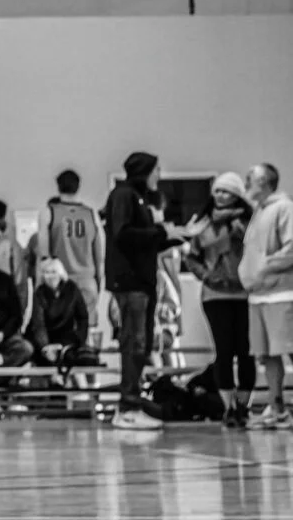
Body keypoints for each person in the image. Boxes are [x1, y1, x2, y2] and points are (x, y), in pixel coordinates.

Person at [103, 152, 180, 431]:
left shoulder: (141, 199)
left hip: (143, 282)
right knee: (133, 345)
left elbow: (144, 242)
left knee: (142, 345)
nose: (158, 176)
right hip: (130, 283)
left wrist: (170, 238)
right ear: (144, 171)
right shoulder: (123, 195)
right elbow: (123, 234)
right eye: (156, 170)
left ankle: (132, 402)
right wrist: (161, 233)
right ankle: (128, 406)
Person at [184, 174, 253, 426]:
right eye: (218, 191)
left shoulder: (249, 221)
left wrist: (239, 230)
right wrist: (206, 276)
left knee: (246, 351)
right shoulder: (202, 224)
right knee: (223, 351)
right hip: (215, 294)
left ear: (237, 195)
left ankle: (244, 405)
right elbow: (192, 257)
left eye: (227, 192)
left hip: (245, 293)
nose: (221, 196)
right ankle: (227, 407)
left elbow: (258, 249)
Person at [241, 164, 293, 428]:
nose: (246, 182)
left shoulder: (284, 208)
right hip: (258, 295)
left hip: (281, 294)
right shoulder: (258, 213)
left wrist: (265, 266)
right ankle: (277, 407)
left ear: (265, 182)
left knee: (289, 349)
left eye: (251, 178)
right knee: (267, 355)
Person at [35, 170, 105, 348]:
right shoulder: (91, 214)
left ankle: (64, 373)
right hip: (86, 279)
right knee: (86, 332)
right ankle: (91, 374)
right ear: (78, 186)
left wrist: (39, 285)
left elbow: (43, 254)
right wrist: (98, 282)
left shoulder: (49, 212)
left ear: (58, 186)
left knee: (59, 334)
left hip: (59, 281)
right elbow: (100, 256)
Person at [28, 259, 92, 376]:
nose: (50, 276)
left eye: (53, 272)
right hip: (46, 339)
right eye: (46, 272)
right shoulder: (39, 293)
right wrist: (45, 347)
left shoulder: (72, 289)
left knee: (73, 360)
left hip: (67, 338)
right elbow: (38, 324)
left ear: (60, 273)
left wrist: (78, 340)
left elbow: (83, 317)